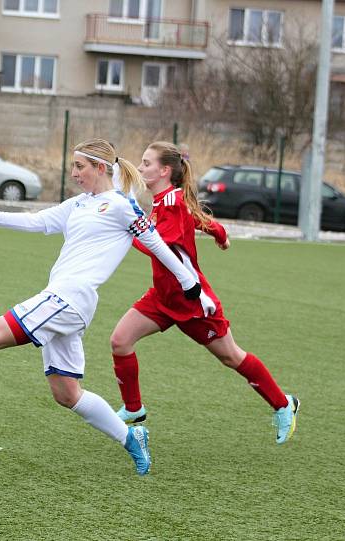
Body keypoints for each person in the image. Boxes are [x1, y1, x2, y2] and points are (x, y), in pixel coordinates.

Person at [0, 139, 212, 477]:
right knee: (67, 394)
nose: (74, 173)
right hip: (67, 303)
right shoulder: (80, 203)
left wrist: (189, 281)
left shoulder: (120, 206)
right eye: (73, 166)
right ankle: (131, 438)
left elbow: (157, 245)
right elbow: (38, 222)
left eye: (80, 167)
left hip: (68, 299)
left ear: (101, 168)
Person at [109, 141, 299, 444]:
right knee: (120, 341)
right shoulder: (165, 200)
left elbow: (158, 245)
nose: (141, 167)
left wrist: (126, 233)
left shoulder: (170, 203)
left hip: (192, 301)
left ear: (164, 170)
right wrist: (220, 234)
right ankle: (134, 409)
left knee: (231, 357)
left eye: (147, 163)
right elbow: (196, 217)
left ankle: (283, 404)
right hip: (163, 296)